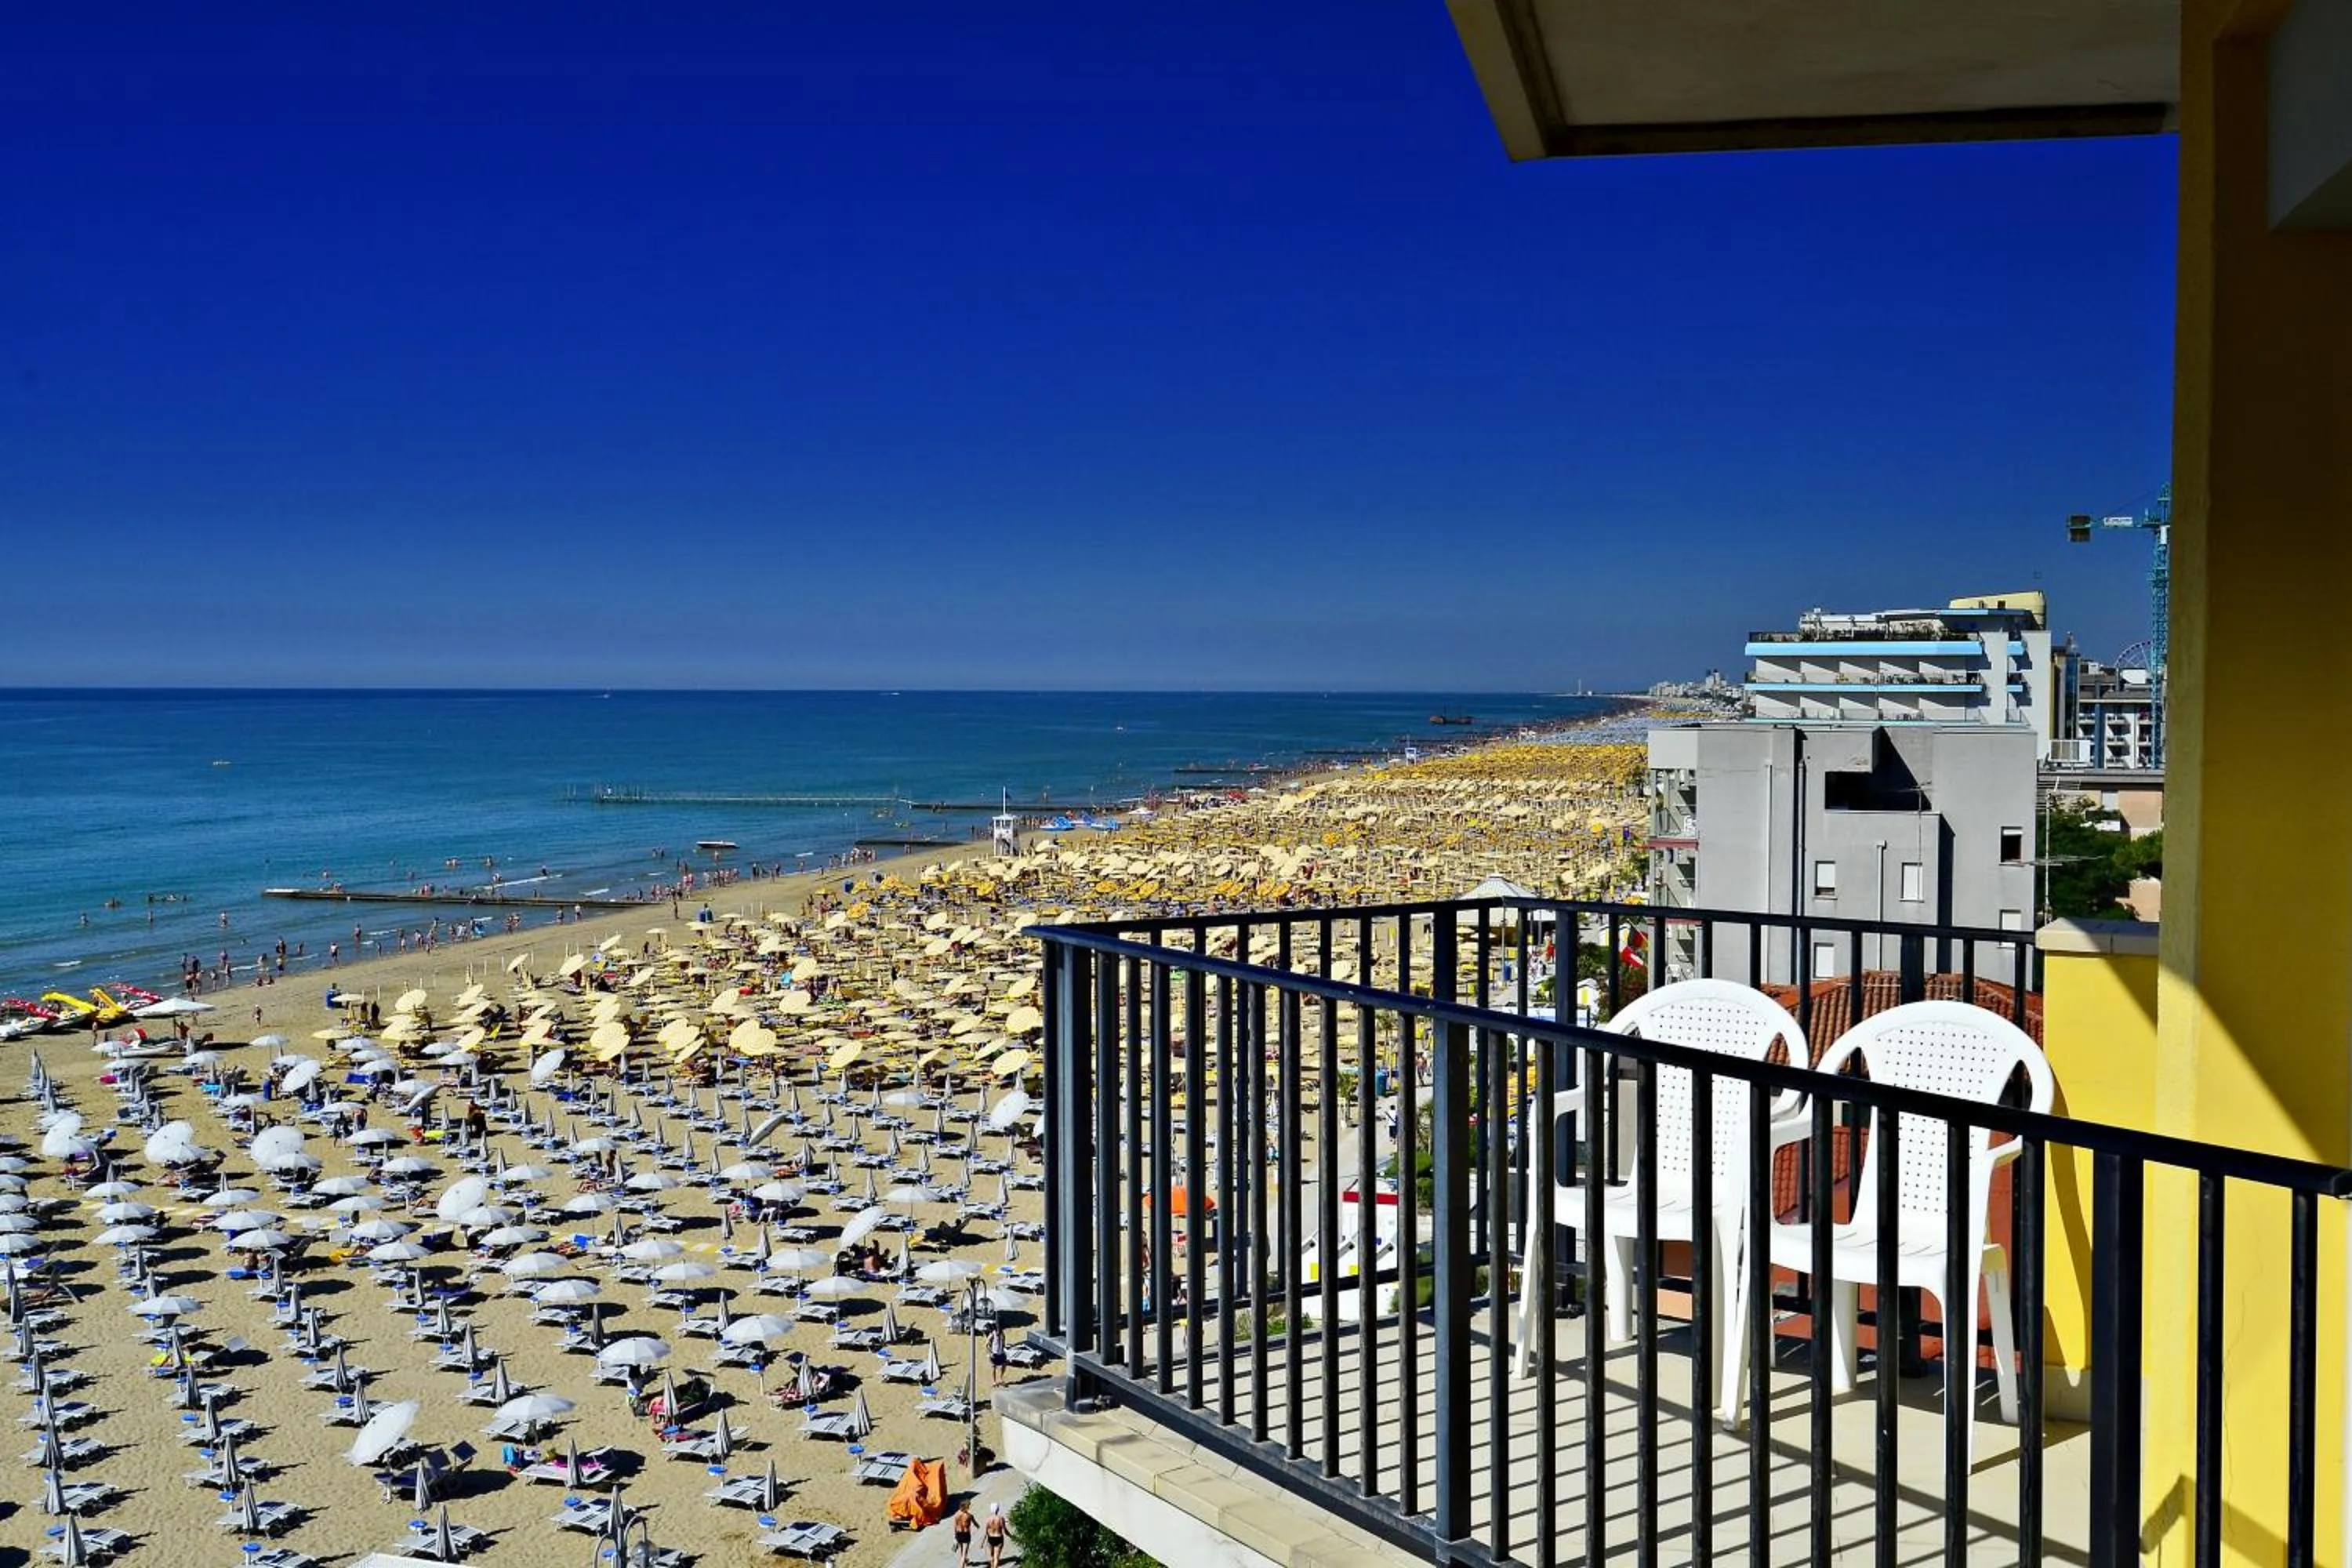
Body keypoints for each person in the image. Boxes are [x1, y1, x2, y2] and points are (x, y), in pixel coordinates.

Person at [982, 1501, 1008, 1566]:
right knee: (996, 1558)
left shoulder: (988, 1519)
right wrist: (1011, 1536)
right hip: (999, 1538)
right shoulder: (1000, 1518)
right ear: (997, 1509)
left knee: (991, 1556)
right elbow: (1004, 1530)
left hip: (990, 1538)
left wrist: (983, 1542)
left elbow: (986, 1531)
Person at [951, 1499, 976, 1566]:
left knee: (962, 1550)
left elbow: (955, 1526)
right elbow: (976, 1524)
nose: (969, 1507)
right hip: (966, 1535)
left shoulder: (956, 1515)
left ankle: (966, 1561)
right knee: (964, 1554)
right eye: (968, 1506)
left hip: (959, 1534)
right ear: (966, 1507)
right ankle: (963, 1562)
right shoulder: (969, 1516)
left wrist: (955, 1536)